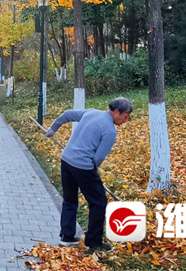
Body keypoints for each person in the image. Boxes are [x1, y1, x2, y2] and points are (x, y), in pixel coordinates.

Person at [43, 97, 133, 253]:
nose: (126, 120)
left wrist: (53, 129)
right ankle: (94, 242)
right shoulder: (110, 131)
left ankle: (67, 237)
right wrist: (92, 172)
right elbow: (98, 158)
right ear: (116, 111)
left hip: (66, 161)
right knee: (99, 202)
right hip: (82, 166)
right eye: (125, 116)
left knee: (70, 200)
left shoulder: (91, 113)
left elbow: (67, 114)